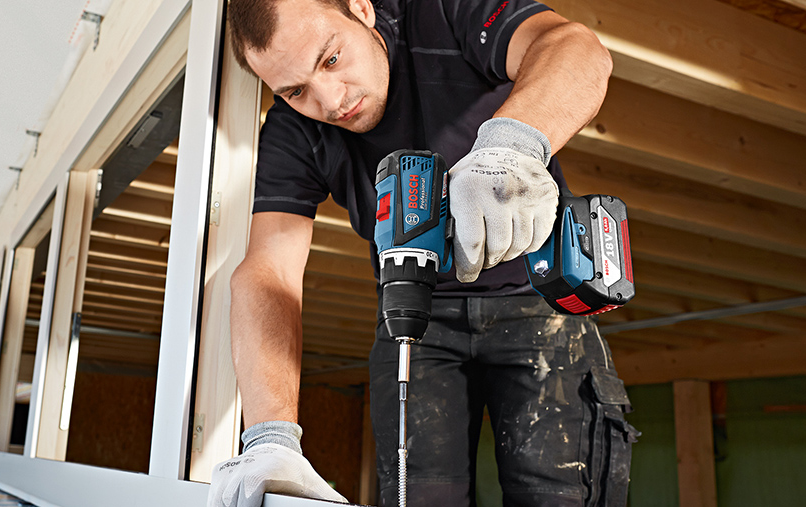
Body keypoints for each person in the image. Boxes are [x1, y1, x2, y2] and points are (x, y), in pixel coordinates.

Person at [206, 0, 638, 505]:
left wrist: (511, 148)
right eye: (295, 90)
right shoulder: (293, 131)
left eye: (330, 59)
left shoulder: (445, 11)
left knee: (564, 493)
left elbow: (575, 48)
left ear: (362, 9)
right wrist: (269, 437)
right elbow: (268, 273)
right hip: (413, 316)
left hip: (538, 299)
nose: (329, 100)